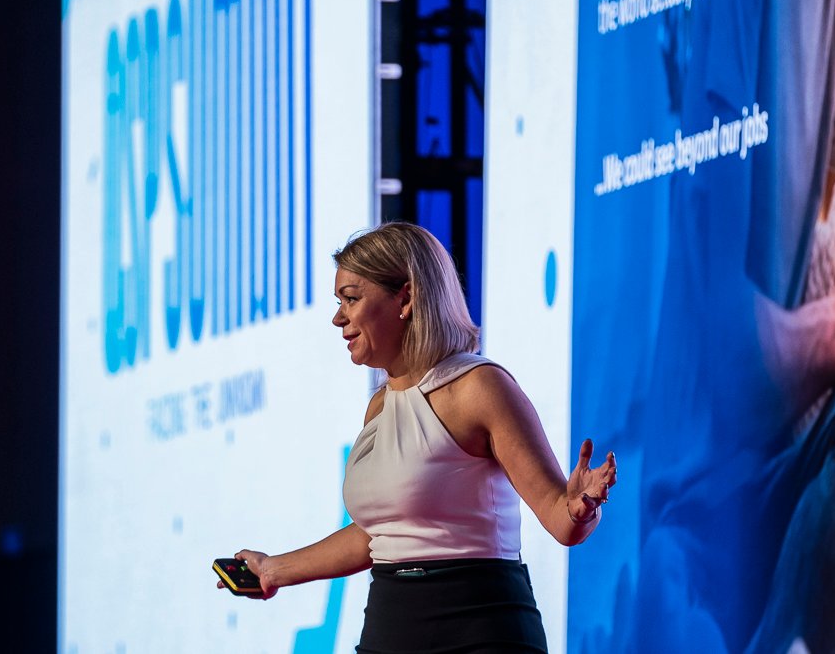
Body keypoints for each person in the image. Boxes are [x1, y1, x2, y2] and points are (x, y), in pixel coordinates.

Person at [219, 222, 617, 653]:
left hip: (483, 629)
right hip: (390, 628)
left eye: (351, 299)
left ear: (406, 298)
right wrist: (273, 570)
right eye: (338, 302)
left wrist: (580, 508)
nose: (338, 318)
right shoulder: (379, 407)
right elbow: (376, 534)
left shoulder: (480, 387)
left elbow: (560, 518)